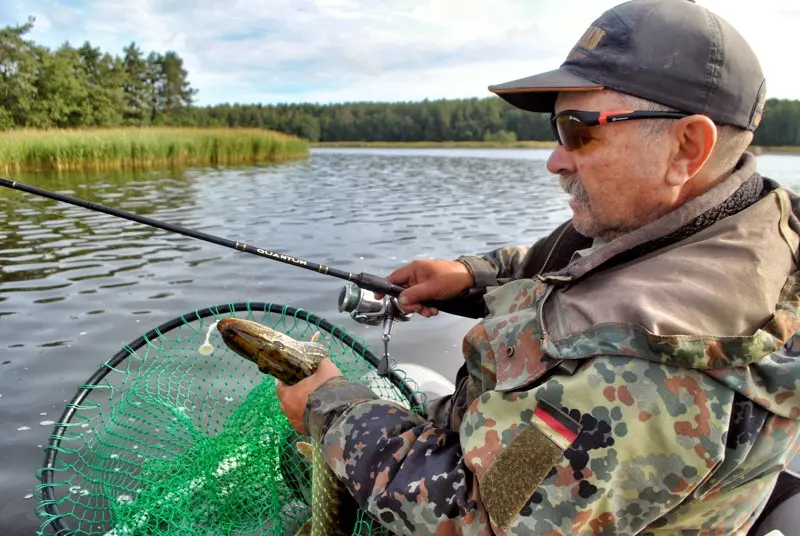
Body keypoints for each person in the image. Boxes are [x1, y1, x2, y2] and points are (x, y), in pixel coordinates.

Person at [276, 0, 800, 533]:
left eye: (578, 130)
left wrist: (331, 410)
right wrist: (468, 277)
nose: (554, 159)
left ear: (687, 147)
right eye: (556, 127)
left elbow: (479, 515)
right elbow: (561, 263)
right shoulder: (712, 217)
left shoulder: (655, 370)